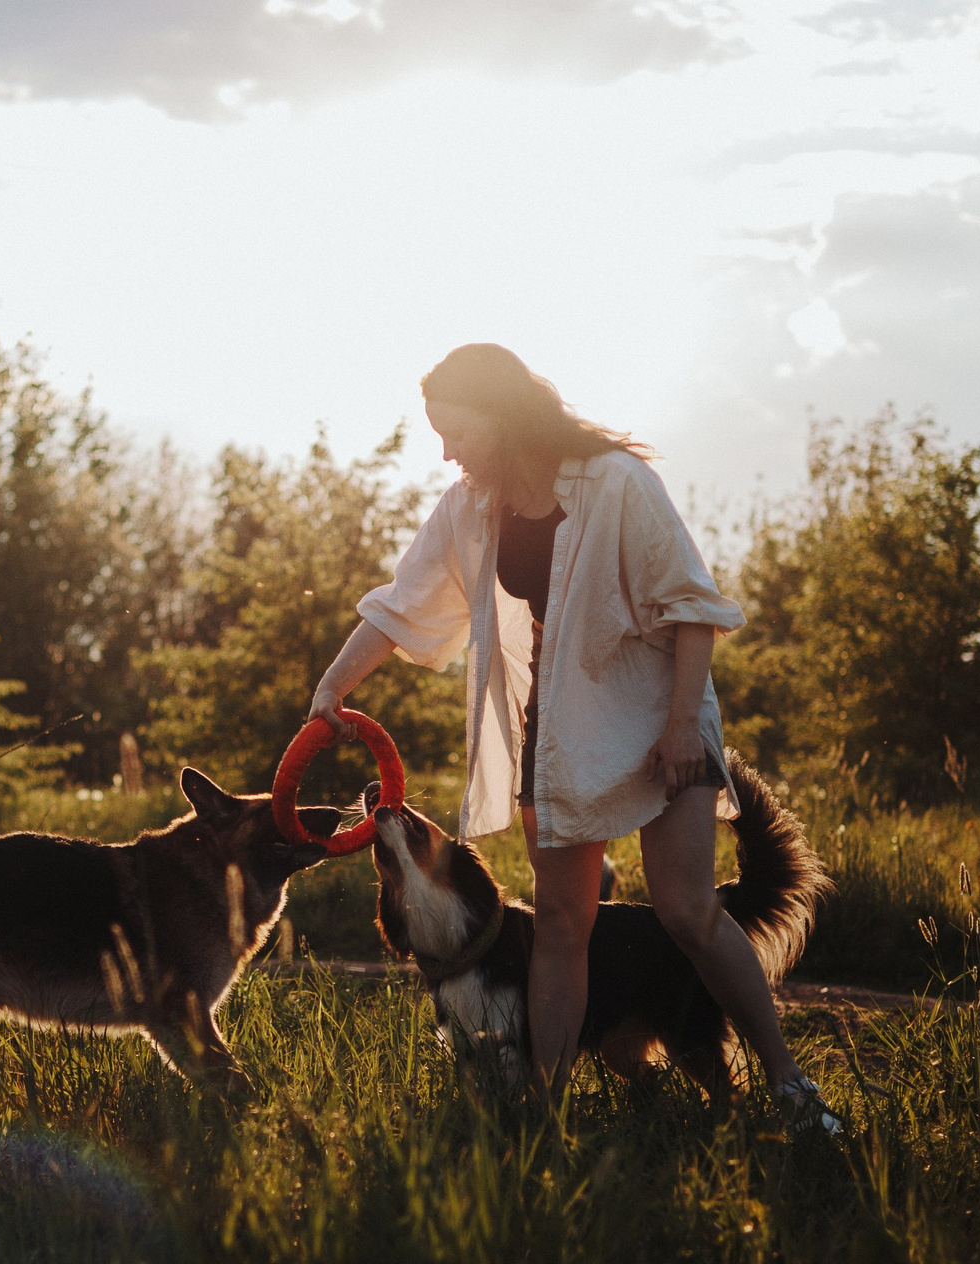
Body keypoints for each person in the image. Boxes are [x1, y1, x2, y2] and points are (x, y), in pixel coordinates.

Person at [309, 343, 840, 1133]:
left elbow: (694, 609)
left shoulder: (616, 484)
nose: (447, 452)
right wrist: (332, 689)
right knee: (562, 922)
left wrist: (678, 730)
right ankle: (545, 1114)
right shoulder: (472, 506)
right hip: (557, 730)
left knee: (688, 911)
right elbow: (400, 603)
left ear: (504, 415)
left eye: (456, 432)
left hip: (662, 715)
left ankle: (792, 1088)